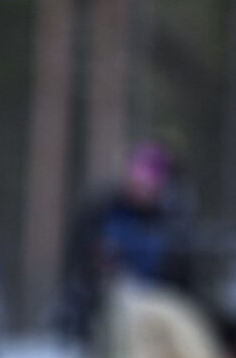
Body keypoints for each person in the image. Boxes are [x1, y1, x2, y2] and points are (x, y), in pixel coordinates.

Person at [59, 140, 193, 341]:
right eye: (139, 179)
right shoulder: (103, 212)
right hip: (111, 300)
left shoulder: (171, 223)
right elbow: (79, 262)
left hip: (159, 298)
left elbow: (184, 277)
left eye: (150, 182)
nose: (143, 188)